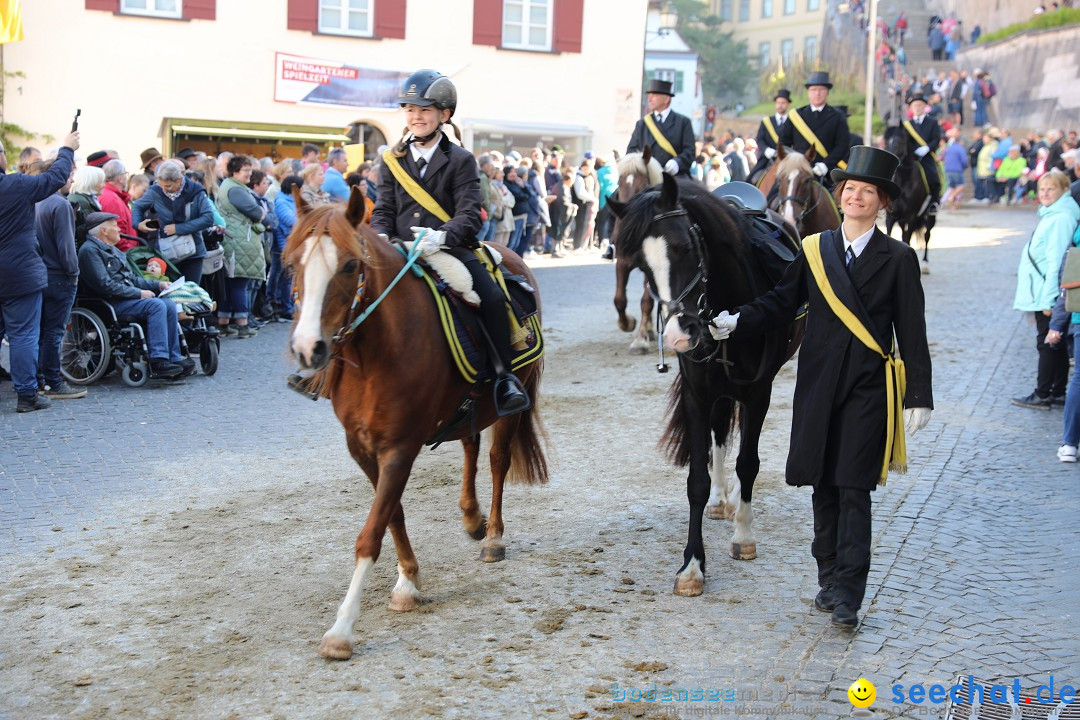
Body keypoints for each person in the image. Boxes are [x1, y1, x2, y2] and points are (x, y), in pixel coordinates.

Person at [709, 146, 933, 629]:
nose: (855, 197)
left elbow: (912, 331)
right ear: (841, 195)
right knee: (821, 486)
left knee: (854, 488)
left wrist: (918, 394)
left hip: (868, 388)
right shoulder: (815, 250)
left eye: (866, 192)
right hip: (817, 386)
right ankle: (828, 577)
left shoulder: (898, 258)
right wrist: (737, 319)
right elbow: (779, 303)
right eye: (849, 189)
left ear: (882, 203)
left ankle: (850, 591)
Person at [370, 68, 529, 413]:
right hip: (399, 248)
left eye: (425, 110)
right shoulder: (391, 161)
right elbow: (383, 208)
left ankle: (503, 377)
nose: (416, 117)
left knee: (489, 295)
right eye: (410, 110)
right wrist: (380, 236)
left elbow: (470, 213)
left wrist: (441, 236)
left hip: (449, 248)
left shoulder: (461, 160)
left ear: (444, 115)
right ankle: (328, 368)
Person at [0, 128, 79, 412]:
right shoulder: (14, 185)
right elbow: (56, 178)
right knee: (23, 335)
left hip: (17, 272)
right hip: (19, 274)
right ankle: (27, 395)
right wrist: (67, 148)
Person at [78, 213, 193, 379]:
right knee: (156, 305)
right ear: (103, 230)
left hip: (124, 298)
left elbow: (132, 279)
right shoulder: (89, 251)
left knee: (167, 303)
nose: (119, 229)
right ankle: (158, 359)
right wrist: (138, 293)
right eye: (115, 225)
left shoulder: (113, 249)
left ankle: (173, 357)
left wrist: (158, 284)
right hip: (109, 303)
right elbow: (104, 285)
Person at [1012, 169, 1080, 410]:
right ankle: (1057, 391)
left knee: (1047, 342)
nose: (1045, 193)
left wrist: (1048, 298)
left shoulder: (1061, 217)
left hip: (1045, 292)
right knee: (1055, 343)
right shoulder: (1055, 213)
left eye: (1050, 189)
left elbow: (1057, 262)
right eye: (1041, 189)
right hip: (1042, 289)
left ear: (1063, 190)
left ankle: (1043, 393)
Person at [34, 157, 86, 399]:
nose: (73, 179)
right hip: (58, 276)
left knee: (37, 333)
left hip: (37, 274)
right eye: (69, 174)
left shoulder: (35, 201)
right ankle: (53, 383)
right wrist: (73, 273)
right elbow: (67, 248)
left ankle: (38, 380)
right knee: (53, 333)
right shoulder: (60, 205)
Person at [132, 160, 214, 285]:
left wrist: (178, 228)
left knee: (190, 294)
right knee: (168, 293)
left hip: (193, 252)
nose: (164, 189)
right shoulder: (155, 190)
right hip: (165, 252)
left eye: (168, 186)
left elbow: (208, 218)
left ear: (179, 180)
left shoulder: (196, 191)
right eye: (161, 185)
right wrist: (138, 224)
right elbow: (137, 206)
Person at [215, 155, 267, 338]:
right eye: (246, 170)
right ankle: (243, 326)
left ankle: (223, 324)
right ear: (235, 171)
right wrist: (261, 212)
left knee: (230, 284)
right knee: (240, 283)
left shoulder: (230, 186)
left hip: (232, 240)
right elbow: (255, 212)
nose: (250, 174)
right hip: (238, 241)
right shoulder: (236, 190)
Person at [778, 72, 851, 190]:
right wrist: (792, 162)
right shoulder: (796, 115)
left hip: (826, 172)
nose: (817, 93)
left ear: (827, 92)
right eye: (814, 89)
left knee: (837, 203)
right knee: (773, 197)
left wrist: (825, 165)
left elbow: (842, 145)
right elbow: (783, 143)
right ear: (808, 92)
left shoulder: (838, 116)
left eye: (821, 89)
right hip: (797, 170)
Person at [626, 78, 695, 177]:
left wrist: (677, 163)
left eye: (654, 96)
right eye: (649, 96)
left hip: (675, 176)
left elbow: (690, 152)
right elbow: (631, 152)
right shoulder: (642, 124)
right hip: (647, 177)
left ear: (666, 99)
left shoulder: (683, 122)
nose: (649, 99)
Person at [902, 92, 943, 213]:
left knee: (933, 178)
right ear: (911, 108)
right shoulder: (907, 124)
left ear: (925, 106)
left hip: (926, 156)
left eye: (920, 105)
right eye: (915, 105)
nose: (917, 107)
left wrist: (927, 148)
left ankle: (933, 203)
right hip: (911, 157)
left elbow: (936, 139)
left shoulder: (932, 122)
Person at [271, 174, 302, 321]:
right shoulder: (281, 201)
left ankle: (288, 306)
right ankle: (285, 308)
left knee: (289, 277)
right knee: (286, 277)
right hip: (284, 244)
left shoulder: (291, 201)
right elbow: (291, 220)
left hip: (291, 242)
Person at [750, 88, 791, 180]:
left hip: (786, 158)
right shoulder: (766, 121)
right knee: (751, 178)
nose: (780, 105)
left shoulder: (792, 121)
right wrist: (766, 150)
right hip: (768, 158)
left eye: (783, 103)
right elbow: (760, 139)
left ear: (788, 104)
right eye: (778, 102)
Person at [98, 159, 138, 251]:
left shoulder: (111, 195)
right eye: (125, 174)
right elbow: (115, 234)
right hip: (124, 254)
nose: (126, 178)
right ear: (120, 178)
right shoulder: (112, 199)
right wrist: (130, 251)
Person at [69, 166, 105, 247]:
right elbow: (89, 230)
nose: (104, 185)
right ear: (90, 182)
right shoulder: (81, 201)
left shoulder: (86, 199)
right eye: (100, 182)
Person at [942, 128, 968, 209]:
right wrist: (963, 167)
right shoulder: (960, 148)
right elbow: (964, 160)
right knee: (962, 185)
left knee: (952, 187)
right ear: (960, 141)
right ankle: (951, 197)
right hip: (957, 169)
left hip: (947, 170)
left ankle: (953, 206)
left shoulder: (949, 148)